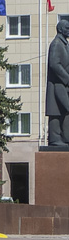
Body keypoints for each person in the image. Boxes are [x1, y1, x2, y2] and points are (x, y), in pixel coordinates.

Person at [49, 17, 69, 146]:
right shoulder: (56, 43)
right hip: (58, 84)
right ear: (60, 29)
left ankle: (63, 137)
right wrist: (67, 78)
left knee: (62, 111)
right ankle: (55, 138)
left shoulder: (64, 43)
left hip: (62, 84)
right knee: (56, 110)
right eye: (67, 28)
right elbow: (54, 64)